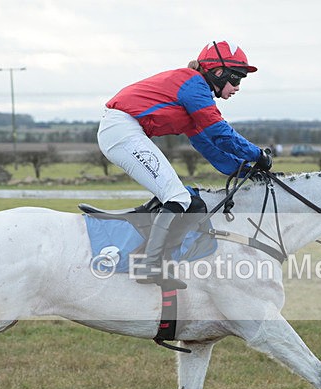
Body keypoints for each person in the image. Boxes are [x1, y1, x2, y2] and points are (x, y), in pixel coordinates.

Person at [97, 40, 273, 288]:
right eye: (236, 78)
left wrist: (241, 169)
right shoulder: (194, 85)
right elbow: (220, 132)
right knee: (177, 197)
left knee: (187, 200)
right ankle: (148, 265)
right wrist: (257, 155)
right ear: (218, 72)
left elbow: (207, 143)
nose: (237, 87)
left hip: (123, 131)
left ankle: (150, 253)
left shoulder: (193, 93)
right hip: (122, 130)